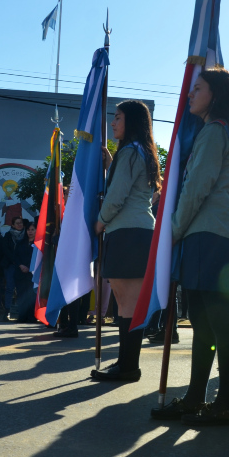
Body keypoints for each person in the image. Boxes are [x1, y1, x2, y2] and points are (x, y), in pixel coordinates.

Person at [150, 67, 229, 427]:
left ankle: (225, 403)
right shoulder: (221, 131)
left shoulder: (214, 132)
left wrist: (173, 231)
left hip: (210, 237)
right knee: (203, 323)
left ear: (216, 94)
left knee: (221, 323)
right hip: (210, 236)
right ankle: (198, 398)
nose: (189, 95)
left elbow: (197, 187)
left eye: (197, 89)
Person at [89, 100, 161, 376]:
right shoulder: (136, 151)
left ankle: (129, 366)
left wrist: (100, 221)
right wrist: (111, 165)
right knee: (124, 302)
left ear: (130, 121)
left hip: (129, 232)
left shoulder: (131, 152)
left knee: (128, 303)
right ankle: (125, 362)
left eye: (117, 117)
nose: (113, 123)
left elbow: (117, 197)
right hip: (134, 231)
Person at [2, 216, 28, 313]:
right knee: (10, 287)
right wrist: (15, 261)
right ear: (13, 225)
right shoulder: (8, 235)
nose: (19, 225)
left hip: (23, 265)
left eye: (21, 223)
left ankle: (22, 310)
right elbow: (6, 250)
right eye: (17, 223)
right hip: (11, 264)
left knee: (22, 288)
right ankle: (7, 309)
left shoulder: (26, 235)